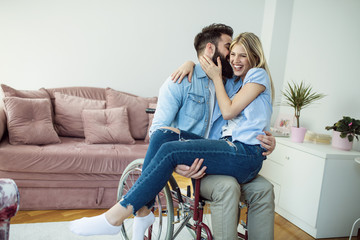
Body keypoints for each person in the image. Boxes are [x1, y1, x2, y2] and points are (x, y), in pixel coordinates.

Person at [69, 24, 275, 240]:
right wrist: (191, 65)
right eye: (229, 50)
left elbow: (242, 113)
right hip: (208, 153)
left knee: (171, 150)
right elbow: (157, 129)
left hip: (231, 151)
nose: (233, 58)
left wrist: (271, 140)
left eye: (240, 54)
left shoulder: (232, 80)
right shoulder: (184, 80)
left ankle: (115, 217)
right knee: (164, 137)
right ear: (210, 51)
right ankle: (142, 210)